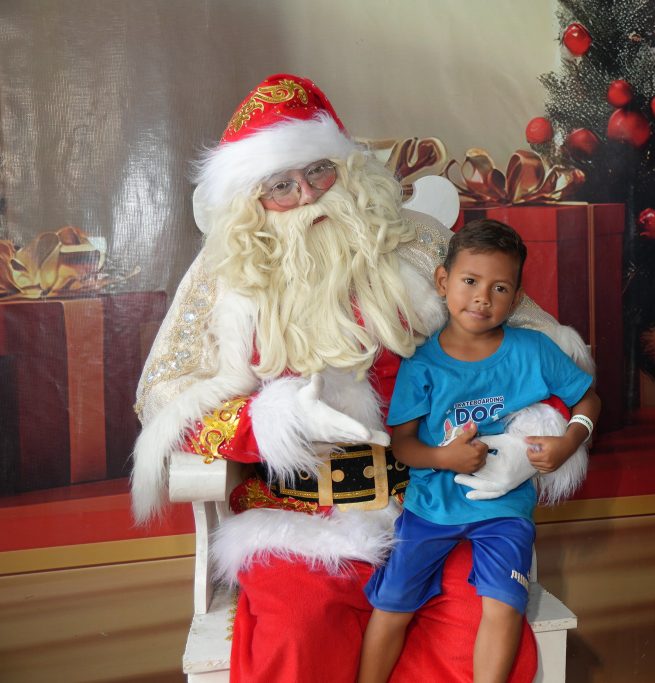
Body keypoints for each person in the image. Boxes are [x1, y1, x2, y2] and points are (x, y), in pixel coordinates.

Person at [130, 74, 594, 683]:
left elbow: (543, 348)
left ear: (346, 168)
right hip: (300, 517)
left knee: (471, 636)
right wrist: (275, 421)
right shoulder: (225, 273)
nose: (308, 196)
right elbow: (166, 396)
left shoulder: (420, 243)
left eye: (319, 171)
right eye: (282, 185)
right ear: (252, 199)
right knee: (299, 638)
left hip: (435, 501)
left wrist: (522, 443)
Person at [358, 219, 600, 683]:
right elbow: (403, 445)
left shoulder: (533, 351)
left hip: (503, 512)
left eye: (499, 288)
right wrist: (444, 458)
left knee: (503, 606)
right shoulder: (422, 364)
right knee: (392, 605)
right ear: (443, 281)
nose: (482, 298)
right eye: (470, 281)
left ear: (516, 297)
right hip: (430, 509)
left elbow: (588, 399)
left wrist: (570, 441)